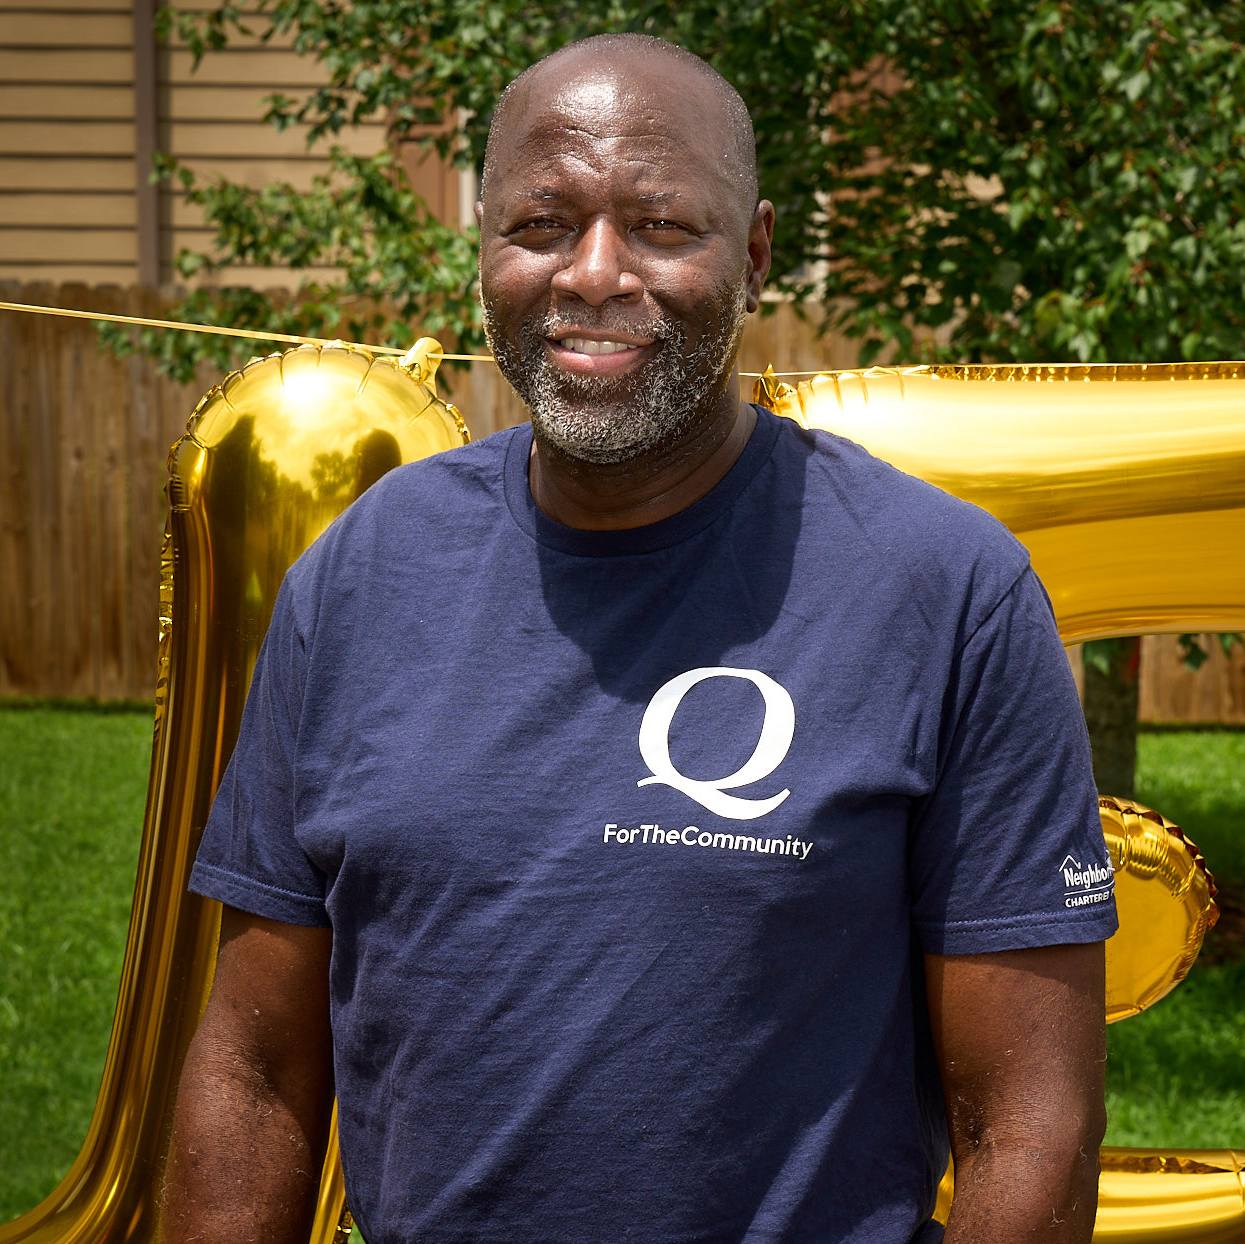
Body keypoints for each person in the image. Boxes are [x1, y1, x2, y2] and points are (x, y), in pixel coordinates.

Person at [164, 33, 1118, 1244]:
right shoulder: (359, 575)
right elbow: (255, 1075)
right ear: (485, 251)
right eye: (542, 222)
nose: (594, 273)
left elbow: (1029, 1121)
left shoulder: (946, 591)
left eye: (663, 224)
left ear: (757, 254)